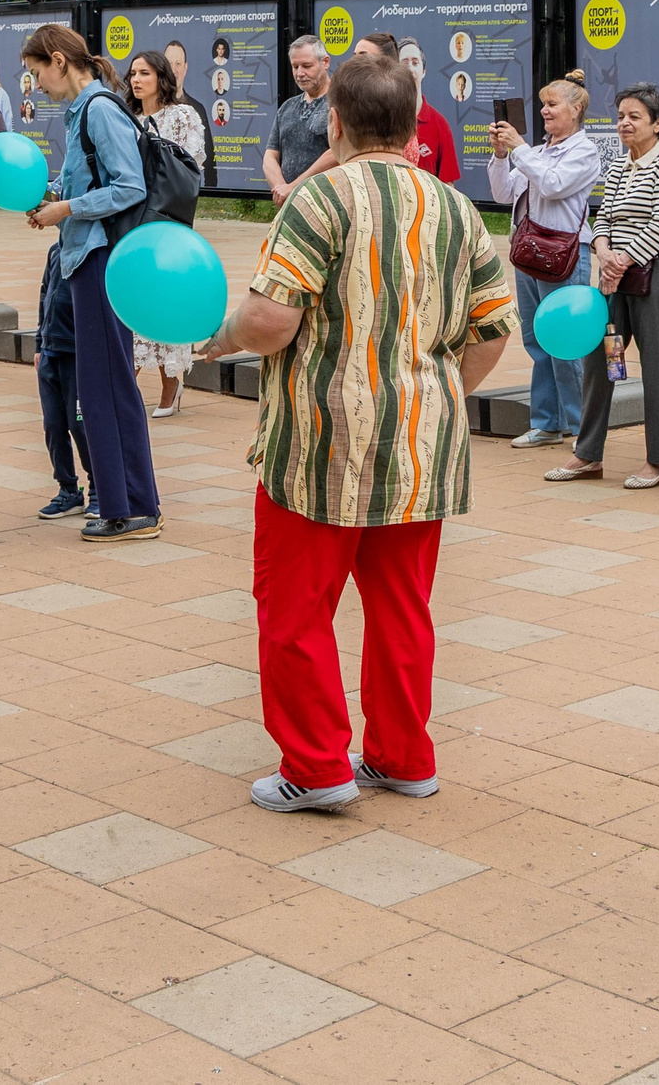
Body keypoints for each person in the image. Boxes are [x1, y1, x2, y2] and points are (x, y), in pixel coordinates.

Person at [200, 50, 516, 812]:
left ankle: (316, 767)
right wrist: (435, 394)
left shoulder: (319, 200)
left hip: (319, 444)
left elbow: (273, 320)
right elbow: (495, 327)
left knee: (296, 611)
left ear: (334, 121)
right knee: (403, 607)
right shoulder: (456, 207)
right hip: (421, 448)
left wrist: (223, 335)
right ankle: (403, 756)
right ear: (412, 125)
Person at [22, 23, 160, 540]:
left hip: (102, 260)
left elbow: (129, 186)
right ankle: (125, 502)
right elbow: (86, 181)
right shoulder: (82, 110)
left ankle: (133, 506)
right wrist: (51, 195)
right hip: (84, 258)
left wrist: (68, 208)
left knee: (107, 385)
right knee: (98, 387)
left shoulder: (99, 108)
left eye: (37, 72)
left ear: (59, 61)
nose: (35, 84)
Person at [545, 84, 659, 489]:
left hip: (654, 276)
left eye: (634, 117)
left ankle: (658, 460)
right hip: (613, 278)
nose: (624, 124)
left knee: (656, 365)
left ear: (658, 123)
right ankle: (588, 453)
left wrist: (623, 260)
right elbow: (603, 216)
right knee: (605, 361)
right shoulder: (617, 165)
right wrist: (604, 251)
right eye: (621, 116)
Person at [488, 78, 604, 449]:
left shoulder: (585, 151)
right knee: (537, 339)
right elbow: (503, 192)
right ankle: (547, 423)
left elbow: (553, 185)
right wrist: (502, 154)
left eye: (553, 104)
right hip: (528, 254)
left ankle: (580, 427)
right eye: (543, 105)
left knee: (568, 342)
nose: (545, 111)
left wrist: (520, 149)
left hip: (565, 255)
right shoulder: (535, 151)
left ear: (575, 110)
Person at [125, 49, 207, 415]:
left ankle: (171, 386)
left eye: (143, 73)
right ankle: (126, 383)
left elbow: (191, 162)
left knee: (165, 297)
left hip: (167, 217)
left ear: (161, 76)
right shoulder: (125, 118)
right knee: (133, 298)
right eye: (132, 74)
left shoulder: (182, 114)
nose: (136, 80)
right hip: (129, 219)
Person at [34, 253, 96, 520]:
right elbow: (45, 294)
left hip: (77, 355)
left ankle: (100, 488)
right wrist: (39, 343)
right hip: (50, 352)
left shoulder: (92, 254)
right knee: (53, 425)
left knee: (80, 425)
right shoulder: (54, 251)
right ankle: (68, 489)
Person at [264, 35, 333, 202]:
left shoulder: (341, 103)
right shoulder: (288, 107)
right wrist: (281, 189)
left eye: (307, 66)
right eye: (295, 67)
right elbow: (270, 155)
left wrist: (294, 187)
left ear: (325, 62)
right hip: (289, 206)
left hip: (326, 203)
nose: (300, 73)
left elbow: (338, 153)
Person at [395, 38, 460, 182]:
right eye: (404, 63)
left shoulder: (439, 125)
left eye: (415, 63)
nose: (410, 68)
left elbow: (448, 184)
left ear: (423, 71)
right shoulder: (385, 120)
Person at [163, 39, 220, 187]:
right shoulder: (152, 106)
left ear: (185, 68)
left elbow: (209, 157)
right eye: (169, 63)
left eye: (178, 64)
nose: (174, 70)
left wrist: (210, 193)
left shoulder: (197, 109)